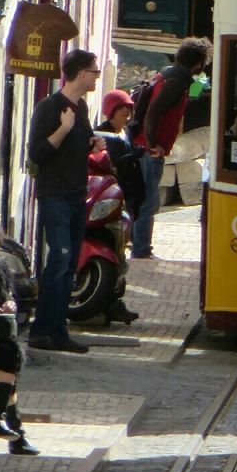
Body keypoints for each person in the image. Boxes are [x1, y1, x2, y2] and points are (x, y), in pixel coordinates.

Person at [27, 48, 105, 353]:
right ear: (82, 74)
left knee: (70, 263)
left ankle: (58, 330)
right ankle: (42, 330)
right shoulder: (50, 108)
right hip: (55, 194)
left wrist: (91, 145)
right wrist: (64, 129)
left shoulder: (82, 108)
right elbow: (37, 153)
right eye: (95, 71)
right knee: (58, 259)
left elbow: (73, 150)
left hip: (75, 193)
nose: (97, 76)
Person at [129, 37, 211, 260]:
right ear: (198, 63)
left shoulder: (169, 74)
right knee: (149, 201)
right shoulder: (175, 81)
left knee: (144, 198)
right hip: (150, 150)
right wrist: (153, 142)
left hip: (144, 146)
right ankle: (141, 250)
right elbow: (154, 112)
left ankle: (138, 245)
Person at [0, 211, 39, 455]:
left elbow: (7, 295)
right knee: (3, 366)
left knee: (8, 354)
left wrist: (9, 303)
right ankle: (14, 431)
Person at [89, 90, 143, 325]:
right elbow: (109, 165)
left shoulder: (125, 133)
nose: (127, 115)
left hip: (123, 199)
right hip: (108, 202)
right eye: (122, 110)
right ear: (111, 110)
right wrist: (133, 156)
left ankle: (114, 303)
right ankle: (109, 304)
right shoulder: (103, 134)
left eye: (129, 110)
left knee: (120, 255)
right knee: (114, 255)